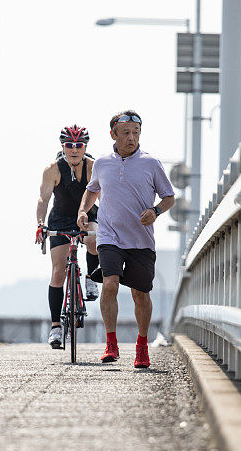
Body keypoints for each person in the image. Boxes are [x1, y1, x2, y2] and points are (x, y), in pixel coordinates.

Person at [77, 111, 175, 368]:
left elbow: (169, 197)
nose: (131, 138)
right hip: (109, 236)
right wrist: (83, 211)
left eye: (136, 132)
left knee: (140, 294)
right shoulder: (102, 163)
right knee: (109, 283)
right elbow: (92, 190)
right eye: (126, 133)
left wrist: (155, 211)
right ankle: (111, 344)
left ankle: (142, 347)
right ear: (113, 134)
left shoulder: (151, 163)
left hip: (141, 240)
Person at [35, 125, 100, 348]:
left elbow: (106, 197)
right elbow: (43, 199)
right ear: (63, 146)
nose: (74, 150)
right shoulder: (52, 169)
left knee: (93, 238)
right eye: (69, 145)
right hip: (60, 218)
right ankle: (55, 327)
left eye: (79, 145)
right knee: (58, 271)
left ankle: (91, 277)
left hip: (87, 214)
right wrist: (41, 224)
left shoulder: (94, 168)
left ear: (85, 147)